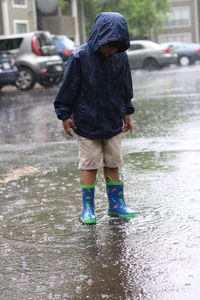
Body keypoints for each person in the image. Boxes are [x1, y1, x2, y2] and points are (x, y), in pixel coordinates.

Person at [54, 12, 138, 224]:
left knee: (113, 162)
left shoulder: (121, 57)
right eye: (108, 45)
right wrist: (64, 114)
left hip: (112, 119)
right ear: (98, 37)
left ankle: (116, 204)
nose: (111, 50)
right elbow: (68, 88)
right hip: (86, 120)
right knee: (89, 164)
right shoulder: (80, 57)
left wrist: (126, 112)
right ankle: (88, 207)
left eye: (116, 46)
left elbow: (125, 87)